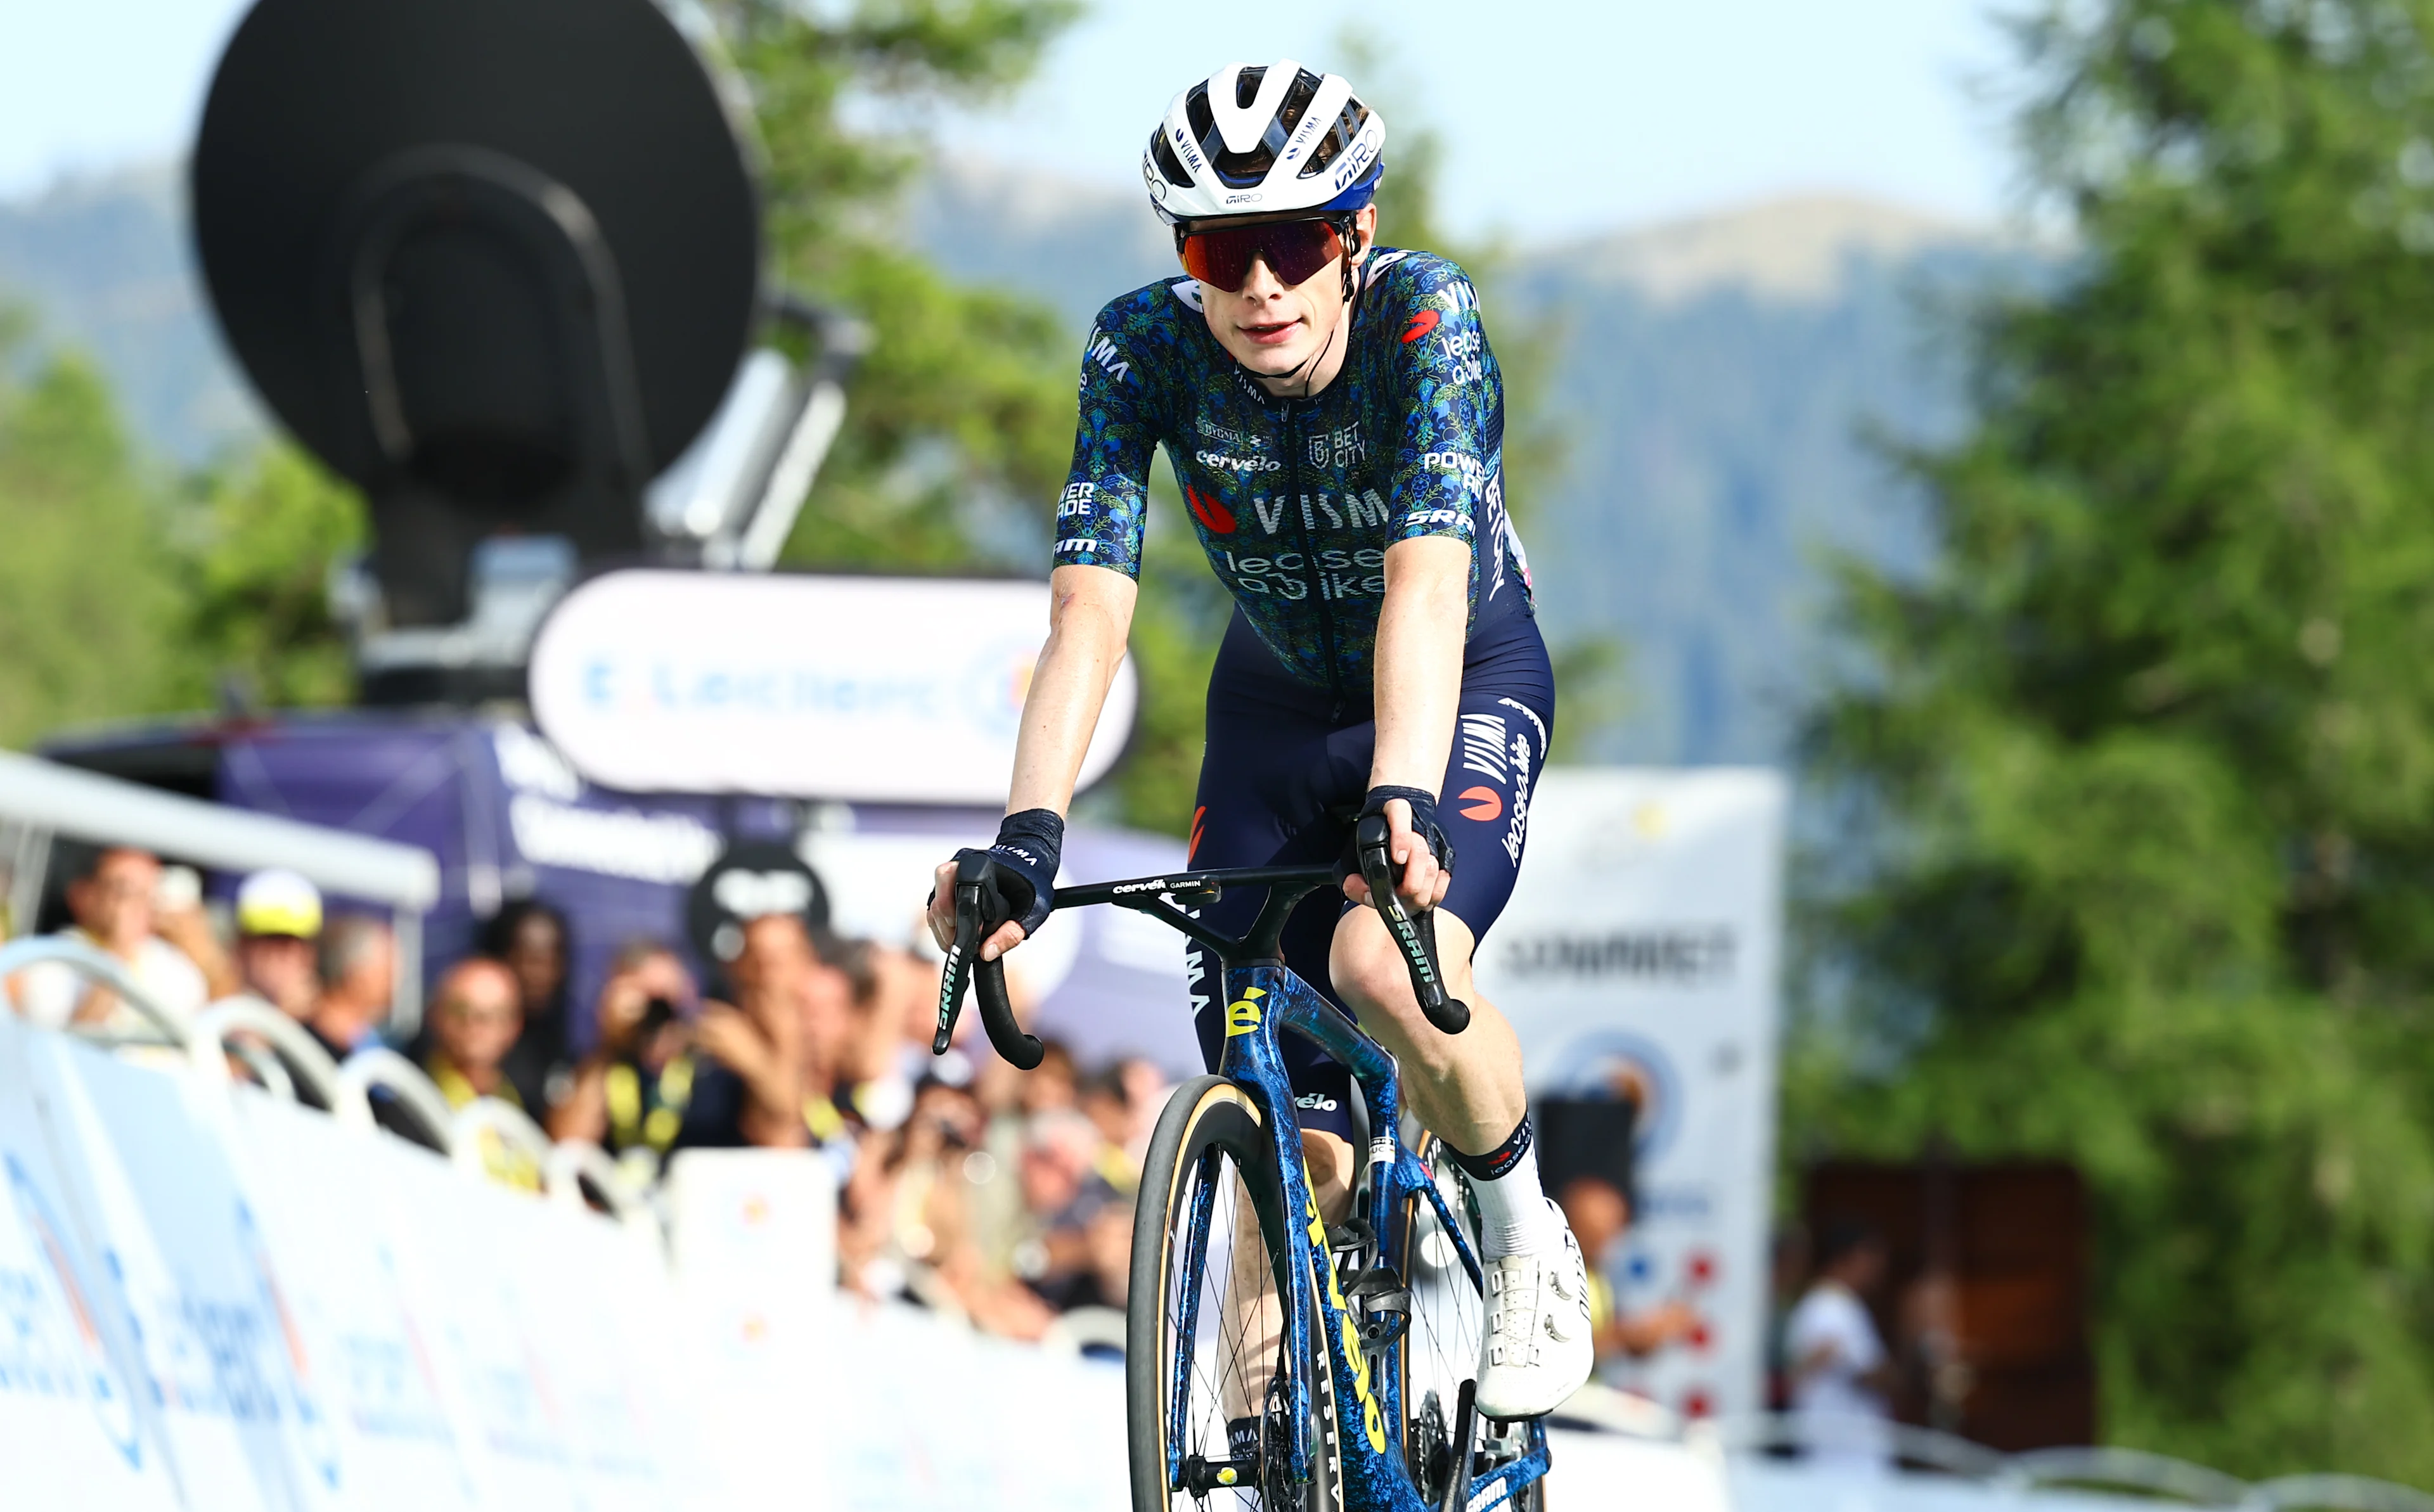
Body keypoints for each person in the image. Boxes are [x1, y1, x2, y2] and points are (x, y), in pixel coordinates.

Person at [926, 58, 1585, 1417]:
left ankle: (1528, 1233)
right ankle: (1269, 1439)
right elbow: (1087, 614)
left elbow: (1427, 583)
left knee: (1381, 967)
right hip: (1274, 709)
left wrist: (1404, 789)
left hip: (1456, 678)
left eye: (1292, 244)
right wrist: (1026, 834)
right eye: (1222, 251)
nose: (1260, 287)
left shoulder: (1426, 321)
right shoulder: (1140, 347)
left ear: (1354, 237)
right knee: (1277, 1109)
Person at [7, 846, 209, 1036]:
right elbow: (75, 1047)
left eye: (147, 891)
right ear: (86, 894)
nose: (136, 902)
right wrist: (119, 951)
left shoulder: (176, 968)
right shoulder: (52, 963)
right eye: (122, 890)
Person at [1787, 1217, 1898, 1473]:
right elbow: (1867, 1372)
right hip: (1843, 1459)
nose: (1879, 1266)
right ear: (1850, 1256)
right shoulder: (1830, 1308)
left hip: (1843, 1454)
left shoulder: (1833, 1304)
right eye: (1872, 1256)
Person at [1554, 1174, 1699, 1368]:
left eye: (1616, 1226)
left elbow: (1611, 1343)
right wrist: (1625, 1336)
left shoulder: (1598, 1275)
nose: (1611, 1238)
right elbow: (1556, 1349)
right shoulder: (1555, 1273)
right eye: (1598, 1229)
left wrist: (1649, 1335)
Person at [481, 899, 571, 1114]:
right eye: (532, 961)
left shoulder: (559, 1045)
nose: (543, 975)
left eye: (553, 961)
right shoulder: (467, 1040)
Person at [233, 868, 325, 1018]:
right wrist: (282, 1017)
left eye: (302, 941)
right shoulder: (217, 1002)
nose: (292, 953)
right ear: (243, 944)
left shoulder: (326, 1023)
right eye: (277, 939)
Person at [307, 914, 394, 1060]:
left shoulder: (371, 1044)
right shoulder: (305, 1047)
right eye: (388, 972)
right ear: (356, 974)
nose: (393, 984)